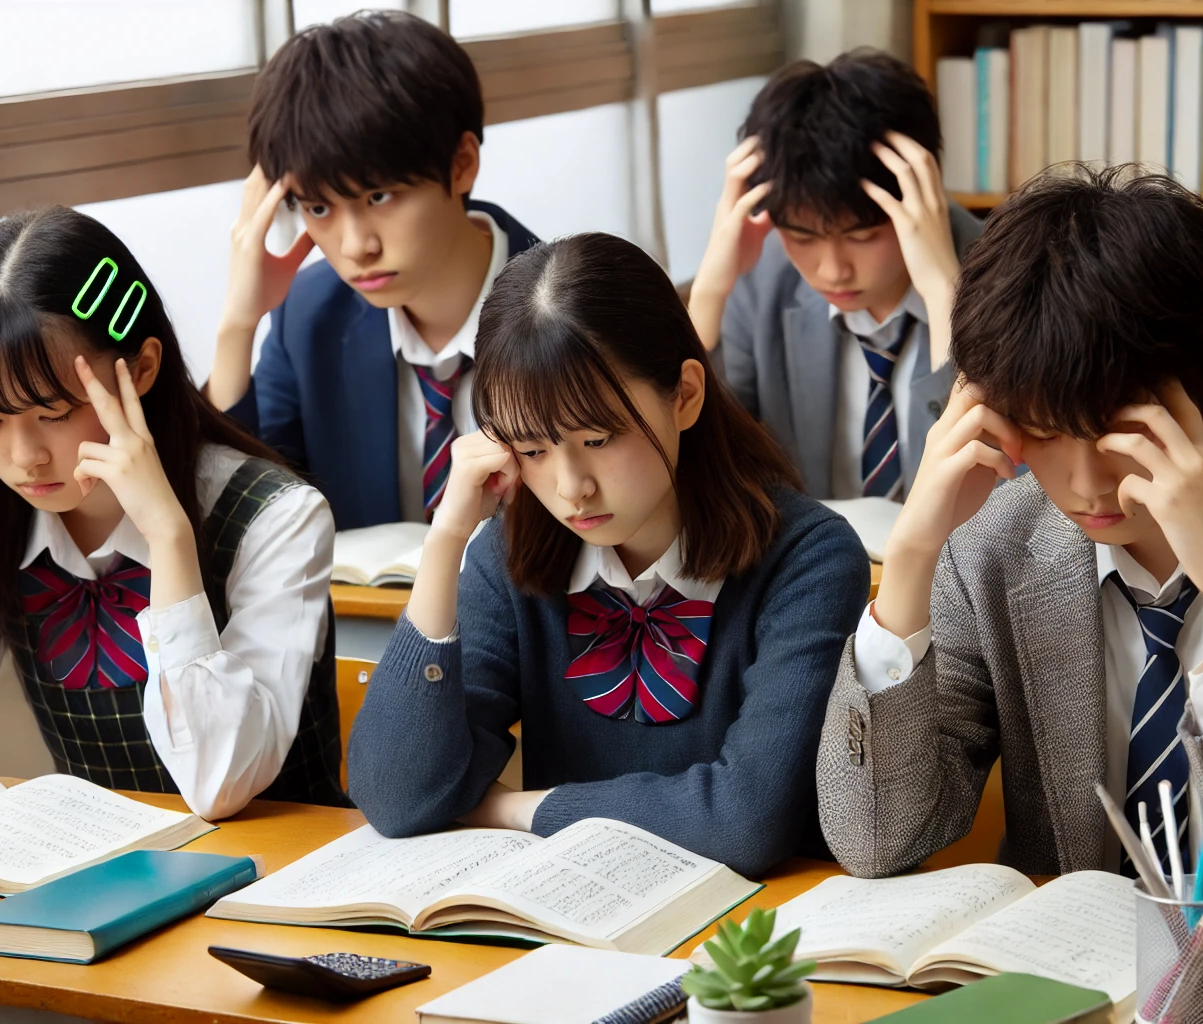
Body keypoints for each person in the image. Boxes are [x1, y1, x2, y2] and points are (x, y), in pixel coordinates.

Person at [817, 168, 1203, 1023]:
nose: (1083, 483)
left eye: (1119, 430)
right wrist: (914, 555)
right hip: (1071, 996)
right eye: (1040, 428)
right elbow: (875, 838)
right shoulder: (991, 552)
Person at [346, 233, 871, 878]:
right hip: (565, 929)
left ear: (685, 394)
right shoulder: (512, 553)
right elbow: (396, 800)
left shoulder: (807, 559)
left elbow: (745, 822)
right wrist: (446, 540)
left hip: (750, 944)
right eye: (532, 450)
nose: (571, 487)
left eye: (598, 437)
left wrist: (519, 811)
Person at [0, 206, 345, 820]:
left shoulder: (277, 518)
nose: (25, 458)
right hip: (99, 889)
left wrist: (169, 538)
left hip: (279, 892)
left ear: (141, 369)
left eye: (53, 414)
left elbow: (219, 786)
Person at [208, 10, 541, 530]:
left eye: (378, 196)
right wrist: (238, 324)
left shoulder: (574, 308)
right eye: (318, 208)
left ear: (461, 165)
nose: (355, 245)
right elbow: (242, 516)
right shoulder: (309, 314)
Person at [692, 49, 984, 500]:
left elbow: (1008, 488)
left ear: (919, 193)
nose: (833, 270)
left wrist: (946, 292)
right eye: (802, 237)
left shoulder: (1007, 273)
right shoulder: (761, 276)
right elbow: (703, 458)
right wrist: (711, 289)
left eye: (863, 235)